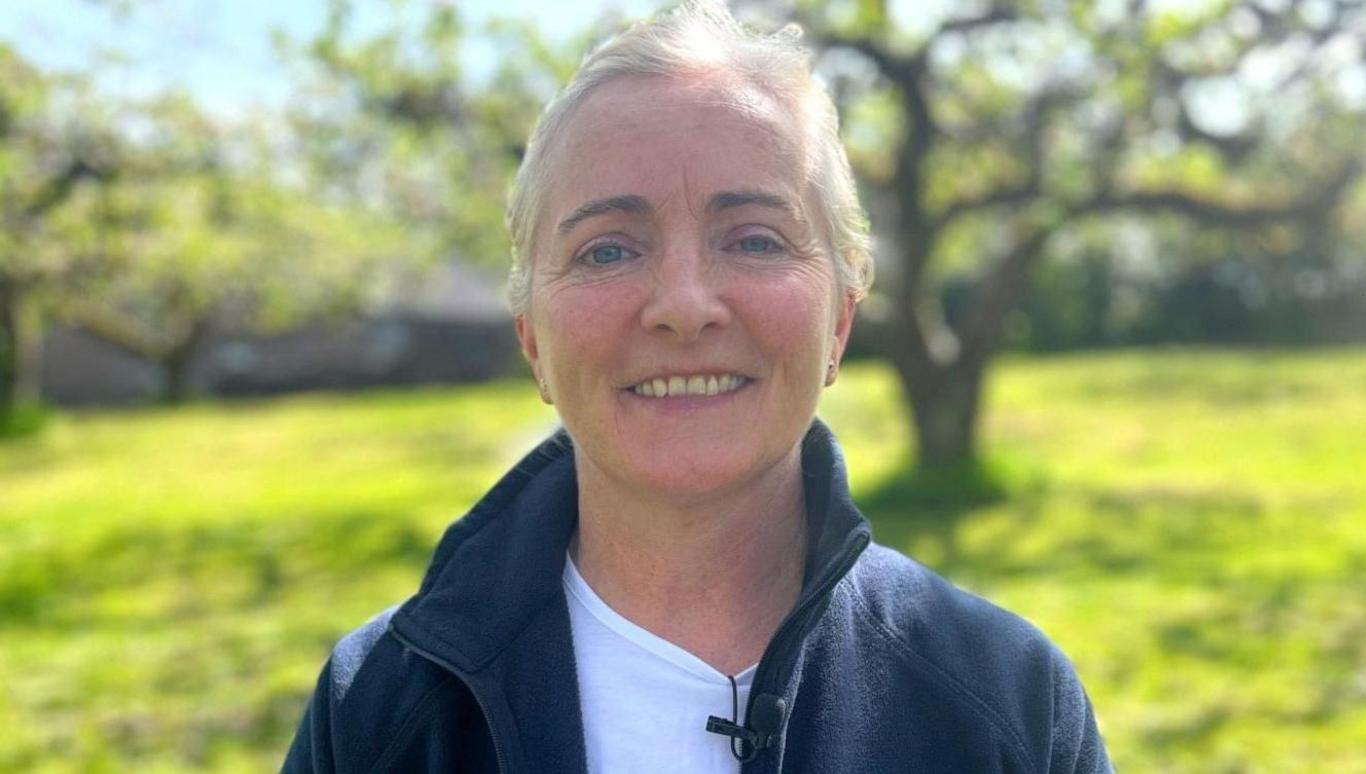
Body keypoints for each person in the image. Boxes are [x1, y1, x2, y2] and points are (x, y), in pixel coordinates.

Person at [282, 1, 1113, 772]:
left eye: (754, 240)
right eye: (608, 250)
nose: (683, 306)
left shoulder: (1009, 702)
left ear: (840, 323)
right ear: (532, 340)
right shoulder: (377, 710)